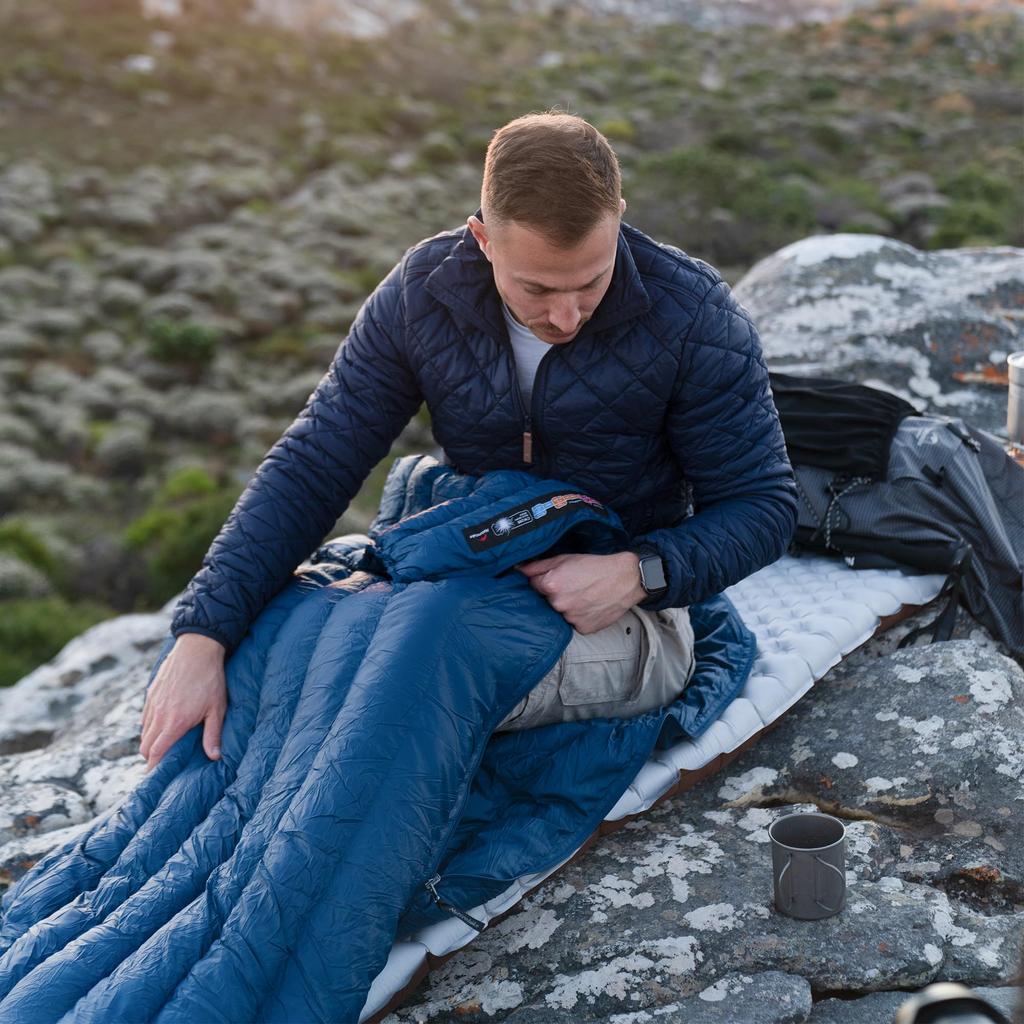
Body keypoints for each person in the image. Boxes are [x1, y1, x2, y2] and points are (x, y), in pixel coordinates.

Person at [140, 110, 798, 769]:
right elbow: (316, 461)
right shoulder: (424, 294)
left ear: (619, 216)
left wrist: (637, 572)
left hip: (627, 606)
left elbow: (763, 505)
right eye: (536, 288)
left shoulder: (693, 314)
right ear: (483, 239)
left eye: (592, 281)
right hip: (468, 564)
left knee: (408, 680)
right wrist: (204, 634)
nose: (565, 317)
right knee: (263, 655)